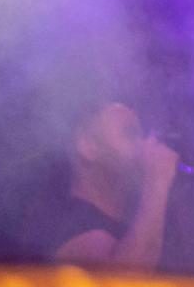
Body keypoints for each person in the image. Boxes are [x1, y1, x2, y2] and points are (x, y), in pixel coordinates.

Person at [21, 101, 181, 271]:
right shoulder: (68, 223)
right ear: (88, 146)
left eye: (140, 136)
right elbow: (127, 280)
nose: (144, 146)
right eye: (130, 134)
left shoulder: (131, 223)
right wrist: (157, 182)